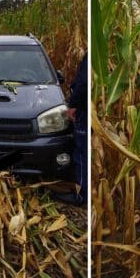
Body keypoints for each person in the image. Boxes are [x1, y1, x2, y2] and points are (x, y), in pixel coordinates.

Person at [54, 52, 88, 206]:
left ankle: (82, 195)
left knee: (82, 152)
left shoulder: (91, 56)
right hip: (92, 109)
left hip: (85, 110)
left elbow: (83, 83)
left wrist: (73, 104)